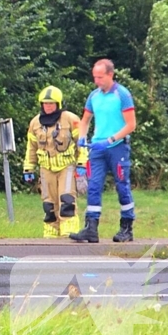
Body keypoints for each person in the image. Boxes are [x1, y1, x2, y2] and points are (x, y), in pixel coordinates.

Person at [69, 59, 137, 243]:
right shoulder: (94, 96)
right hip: (97, 148)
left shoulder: (122, 94)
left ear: (110, 75)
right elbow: (85, 120)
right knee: (93, 186)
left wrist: (111, 140)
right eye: (95, 77)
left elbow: (131, 124)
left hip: (117, 147)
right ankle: (91, 228)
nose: (96, 81)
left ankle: (126, 227)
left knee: (122, 186)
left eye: (100, 77)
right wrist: (82, 137)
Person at [23, 86, 88, 237]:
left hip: (66, 167)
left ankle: (68, 234)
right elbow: (31, 147)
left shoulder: (70, 119)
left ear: (58, 104)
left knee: (67, 200)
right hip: (46, 168)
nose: (48, 106)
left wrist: (82, 163)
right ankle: (50, 236)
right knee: (49, 204)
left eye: (51, 103)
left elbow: (82, 142)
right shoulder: (35, 123)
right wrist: (28, 168)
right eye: (45, 103)